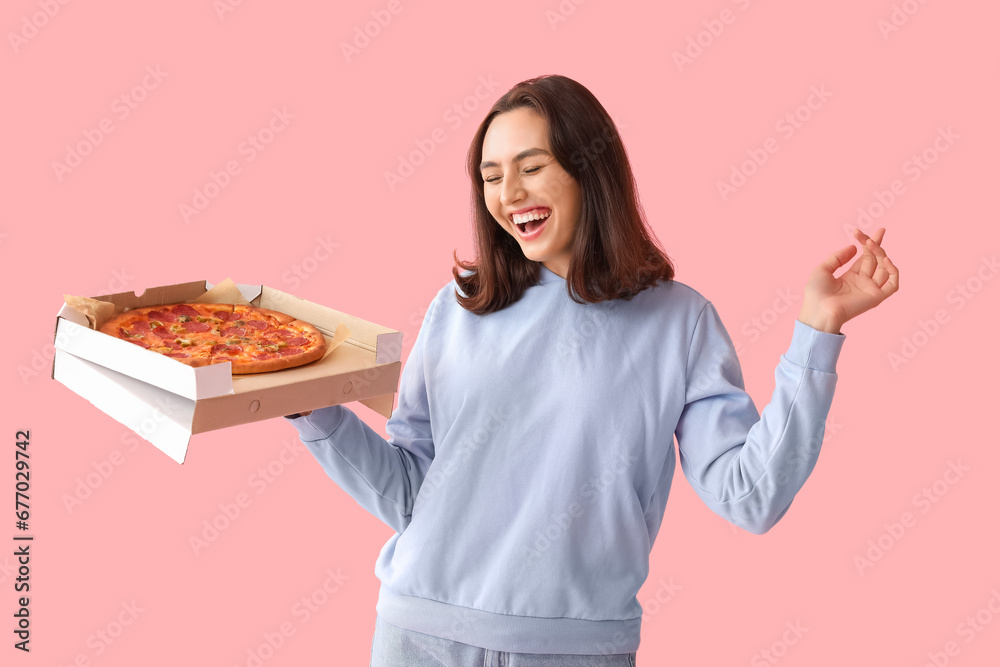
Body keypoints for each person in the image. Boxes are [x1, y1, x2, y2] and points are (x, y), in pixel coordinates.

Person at [284, 74, 898, 666]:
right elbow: (417, 496)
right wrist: (312, 407)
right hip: (417, 637)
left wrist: (818, 330)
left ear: (589, 169)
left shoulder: (678, 323)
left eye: (531, 167)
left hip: (577, 652)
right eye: (491, 177)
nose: (509, 194)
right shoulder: (457, 308)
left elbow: (750, 497)